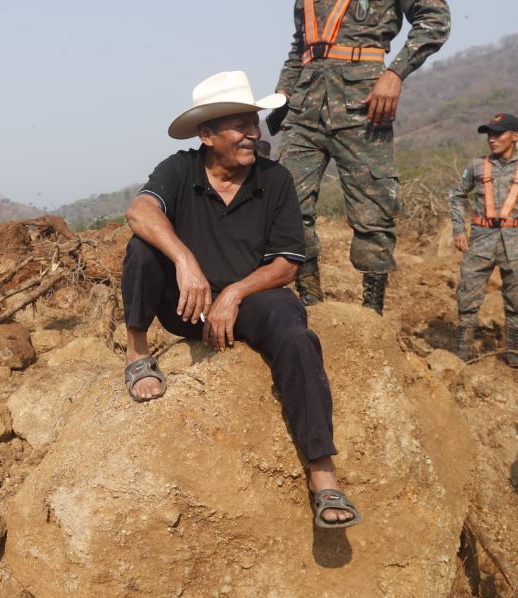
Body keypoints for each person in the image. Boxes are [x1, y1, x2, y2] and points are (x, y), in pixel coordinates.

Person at [122, 70, 360, 528]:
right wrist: (185, 261)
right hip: (185, 306)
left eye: (255, 122)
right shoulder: (179, 169)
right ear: (207, 134)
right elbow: (140, 211)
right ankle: (137, 355)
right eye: (240, 125)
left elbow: (289, 262)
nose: (254, 133)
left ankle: (323, 474)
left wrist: (234, 291)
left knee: (295, 334)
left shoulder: (275, 181)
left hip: (248, 301)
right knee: (142, 249)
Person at [273, 0, 451, 314]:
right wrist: (283, 93)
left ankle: (372, 314)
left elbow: (435, 19)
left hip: (364, 104)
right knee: (287, 204)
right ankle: (312, 305)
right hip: (305, 107)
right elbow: (299, 46)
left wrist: (395, 73)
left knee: (373, 210)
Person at [450, 113, 518, 367]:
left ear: (515, 136)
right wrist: (459, 229)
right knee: (467, 296)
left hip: (515, 244)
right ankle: (463, 352)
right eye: (488, 134)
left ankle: (514, 353)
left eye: (498, 133)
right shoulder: (477, 166)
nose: (491, 139)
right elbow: (457, 196)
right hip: (480, 243)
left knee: (516, 302)